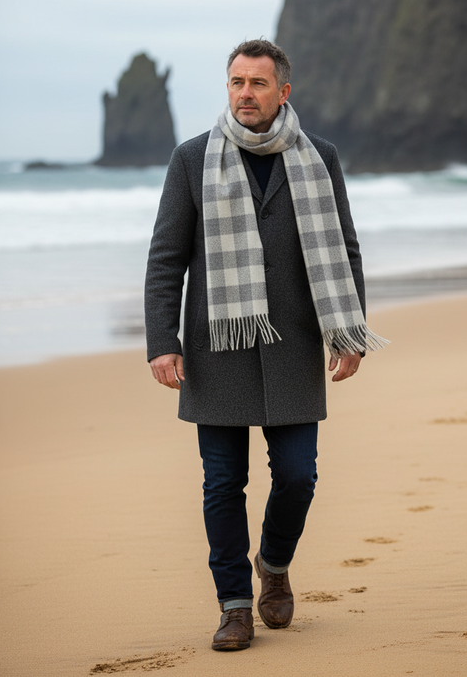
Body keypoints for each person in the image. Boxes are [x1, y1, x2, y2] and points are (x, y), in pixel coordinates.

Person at [144, 39, 386, 651]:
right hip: (216, 345)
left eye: (257, 84)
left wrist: (348, 330)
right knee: (222, 484)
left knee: (298, 477)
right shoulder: (192, 158)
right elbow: (167, 258)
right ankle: (233, 606)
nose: (244, 94)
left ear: (283, 91)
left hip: (295, 343)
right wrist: (161, 341)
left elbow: (345, 248)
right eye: (235, 83)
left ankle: (273, 565)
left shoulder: (319, 158)